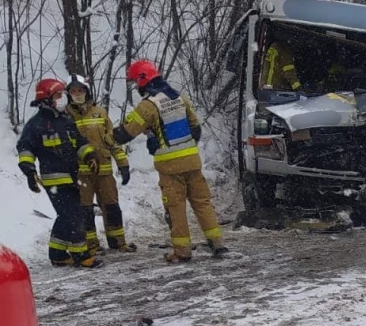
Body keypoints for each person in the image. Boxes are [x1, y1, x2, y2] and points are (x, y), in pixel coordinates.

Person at [111, 60, 227, 263]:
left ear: (143, 80)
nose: (136, 87)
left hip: (170, 167)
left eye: (136, 83)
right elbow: (196, 129)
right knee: (202, 203)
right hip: (193, 161)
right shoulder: (179, 98)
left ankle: (182, 251)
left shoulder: (148, 106)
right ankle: (217, 243)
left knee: (175, 208)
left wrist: (104, 136)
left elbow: (124, 134)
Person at [16, 78, 103, 268]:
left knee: (66, 215)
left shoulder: (66, 120)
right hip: (54, 180)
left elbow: (79, 143)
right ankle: (81, 256)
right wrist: (29, 172)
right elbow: (25, 149)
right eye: (58, 95)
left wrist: (90, 156)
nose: (63, 99)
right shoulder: (36, 125)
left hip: (72, 177)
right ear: (46, 99)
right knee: (73, 215)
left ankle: (57, 254)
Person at [65, 74, 137, 255]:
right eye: (73, 91)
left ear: (86, 91)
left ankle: (118, 242)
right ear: (68, 94)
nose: (77, 94)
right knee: (85, 210)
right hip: (81, 174)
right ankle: (91, 246)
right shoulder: (66, 116)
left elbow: (112, 140)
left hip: (104, 171)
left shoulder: (100, 113)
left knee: (112, 206)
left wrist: (123, 163)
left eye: (80, 90)